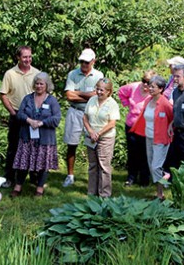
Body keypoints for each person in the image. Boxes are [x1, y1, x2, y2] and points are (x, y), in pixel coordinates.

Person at [11, 72, 62, 197]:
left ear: (46, 85)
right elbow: (20, 114)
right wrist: (29, 121)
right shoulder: (27, 98)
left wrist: (41, 123)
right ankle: (18, 187)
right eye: (37, 83)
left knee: (43, 164)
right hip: (27, 137)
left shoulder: (52, 100)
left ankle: (39, 188)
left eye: (41, 84)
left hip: (45, 139)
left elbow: (57, 118)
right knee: (23, 164)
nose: (39, 86)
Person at [63, 48, 104, 187]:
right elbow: (69, 96)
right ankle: (70, 175)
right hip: (75, 112)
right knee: (71, 144)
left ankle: (94, 176)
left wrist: (78, 94)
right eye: (82, 62)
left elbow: (98, 96)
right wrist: (88, 95)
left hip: (92, 113)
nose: (84, 64)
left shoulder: (99, 75)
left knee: (93, 145)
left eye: (87, 62)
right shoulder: (73, 74)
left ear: (93, 61)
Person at [0, 46, 39, 188]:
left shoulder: (37, 73)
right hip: (16, 114)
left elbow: (42, 94)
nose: (28, 60)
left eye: (29, 57)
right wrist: (12, 112)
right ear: (18, 57)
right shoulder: (10, 74)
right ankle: (9, 178)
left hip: (32, 116)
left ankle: (35, 179)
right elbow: (3, 95)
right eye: (24, 57)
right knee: (14, 147)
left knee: (34, 147)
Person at [131, 75, 174, 200]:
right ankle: (160, 189)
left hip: (161, 139)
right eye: (149, 86)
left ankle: (162, 189)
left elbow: (173, 118)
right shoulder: (148, 100)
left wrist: (170, 127)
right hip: (148, 137)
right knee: (152, 166)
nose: (150, 88)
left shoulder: (165, 103)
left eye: (153, 87)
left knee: (156, 166)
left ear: (160, 89)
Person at [83, 78, 120, 197]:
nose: (98, 92)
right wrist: (90, 131)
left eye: (102, 90)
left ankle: (104, 194)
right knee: (93, 165)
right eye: (97, 89)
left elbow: (112, 123)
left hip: (105, 138)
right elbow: (85, 117)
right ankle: (92, 192)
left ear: (109, 91)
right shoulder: (92, 100)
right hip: (91, 136)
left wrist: (98, 134)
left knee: (104, 166)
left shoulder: (112, 103)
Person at [118, 70, 155, 186]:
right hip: (131, 125)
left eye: (148, 82)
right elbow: (121, 91)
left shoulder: (154, 92)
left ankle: (144, 179)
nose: (145, 84)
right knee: (132, 153)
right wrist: (126, 103)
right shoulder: (134, 87)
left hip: (146, 126)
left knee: (145, 153)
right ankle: (131, 177)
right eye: (143, 81)